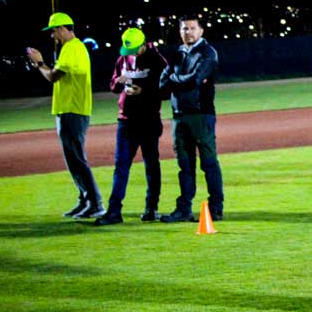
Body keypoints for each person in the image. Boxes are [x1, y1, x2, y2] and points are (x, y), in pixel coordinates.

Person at [26, 12, 104, 219]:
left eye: (54, 31)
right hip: (68, 109)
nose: (53, 35)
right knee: (73, 159)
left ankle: (95, 203)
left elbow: (53, 76)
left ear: (62, 28)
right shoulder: (71, 49)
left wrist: (39, 63)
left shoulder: (73, 48)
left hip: (73, 110)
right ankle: (85, 200)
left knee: (77, 159)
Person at [95, 27, 169, 225]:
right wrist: (119, 82)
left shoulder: (158, 61)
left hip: (149, 120)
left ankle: (151, 208)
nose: (132, 54)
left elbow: (166, 91)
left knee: (151, 165)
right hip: (126, 120)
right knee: (121, 166)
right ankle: (114, 212)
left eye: (136, 49)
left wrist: (142, 91)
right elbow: (112, 85)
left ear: (144, 44)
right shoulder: (123, 59)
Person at [158, 16, 225, 222]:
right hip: (179, 116)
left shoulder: (208, 53)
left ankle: (215, 209)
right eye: (184, 28)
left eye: (192, 28)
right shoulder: (177, 53)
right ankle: (184, 209)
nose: (188, 32)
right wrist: (179, 81)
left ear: (201, 31)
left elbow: (195, 80)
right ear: (180, 32)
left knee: (208, 163)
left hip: (201, 114)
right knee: (184, 165)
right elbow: (161, 86)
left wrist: (174, 80)